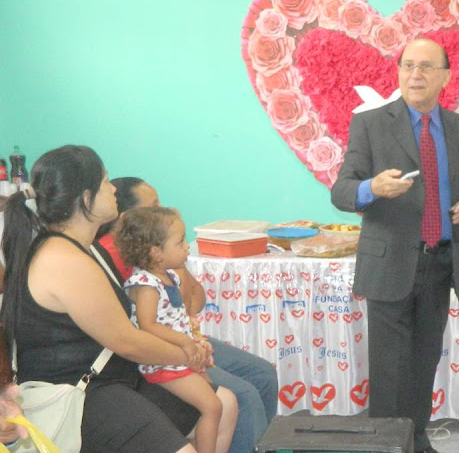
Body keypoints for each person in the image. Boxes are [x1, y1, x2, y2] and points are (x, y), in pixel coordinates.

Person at [1, 145, 238, 453]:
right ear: (87, 199)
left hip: (114, 378)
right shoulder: (63, 259)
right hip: (81, 394)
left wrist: (189, 348)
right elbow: (127, 342)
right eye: (105, 182)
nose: (113, 189)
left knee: (224, 405)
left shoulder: (84, 248)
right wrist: (188, 354)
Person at [331, 37, 459, 453]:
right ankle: (386, 445)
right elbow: (341, 191)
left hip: (440, 264)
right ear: (399, 72)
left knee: (423, 363)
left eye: (426, 66)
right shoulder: (370, 124)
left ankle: (416, 439)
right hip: (389, 265)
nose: (416, 74)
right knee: (389, 370)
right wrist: (372, 188)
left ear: (445, 77)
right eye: (408, 65)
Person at [97, 177, 278, 453]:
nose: (164, 210)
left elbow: (195, 303)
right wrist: (188, 347)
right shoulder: (132, 267)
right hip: (162, 352)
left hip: (184, 339)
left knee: (262, 374)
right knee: (240, 397)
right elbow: (147, 326)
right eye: (154, 207)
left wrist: (194, 339)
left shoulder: (166, 265)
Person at [117, 206, 233, 453]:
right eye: (180, 242)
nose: (187, 247)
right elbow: (148, 325)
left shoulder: (169, 276)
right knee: (212, 407)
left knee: (212, 400)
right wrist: (185, 343)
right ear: (156, 252)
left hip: (179, 357)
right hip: (163, 364)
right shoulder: (146, 284)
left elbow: (175, 315)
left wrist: (193, 335)